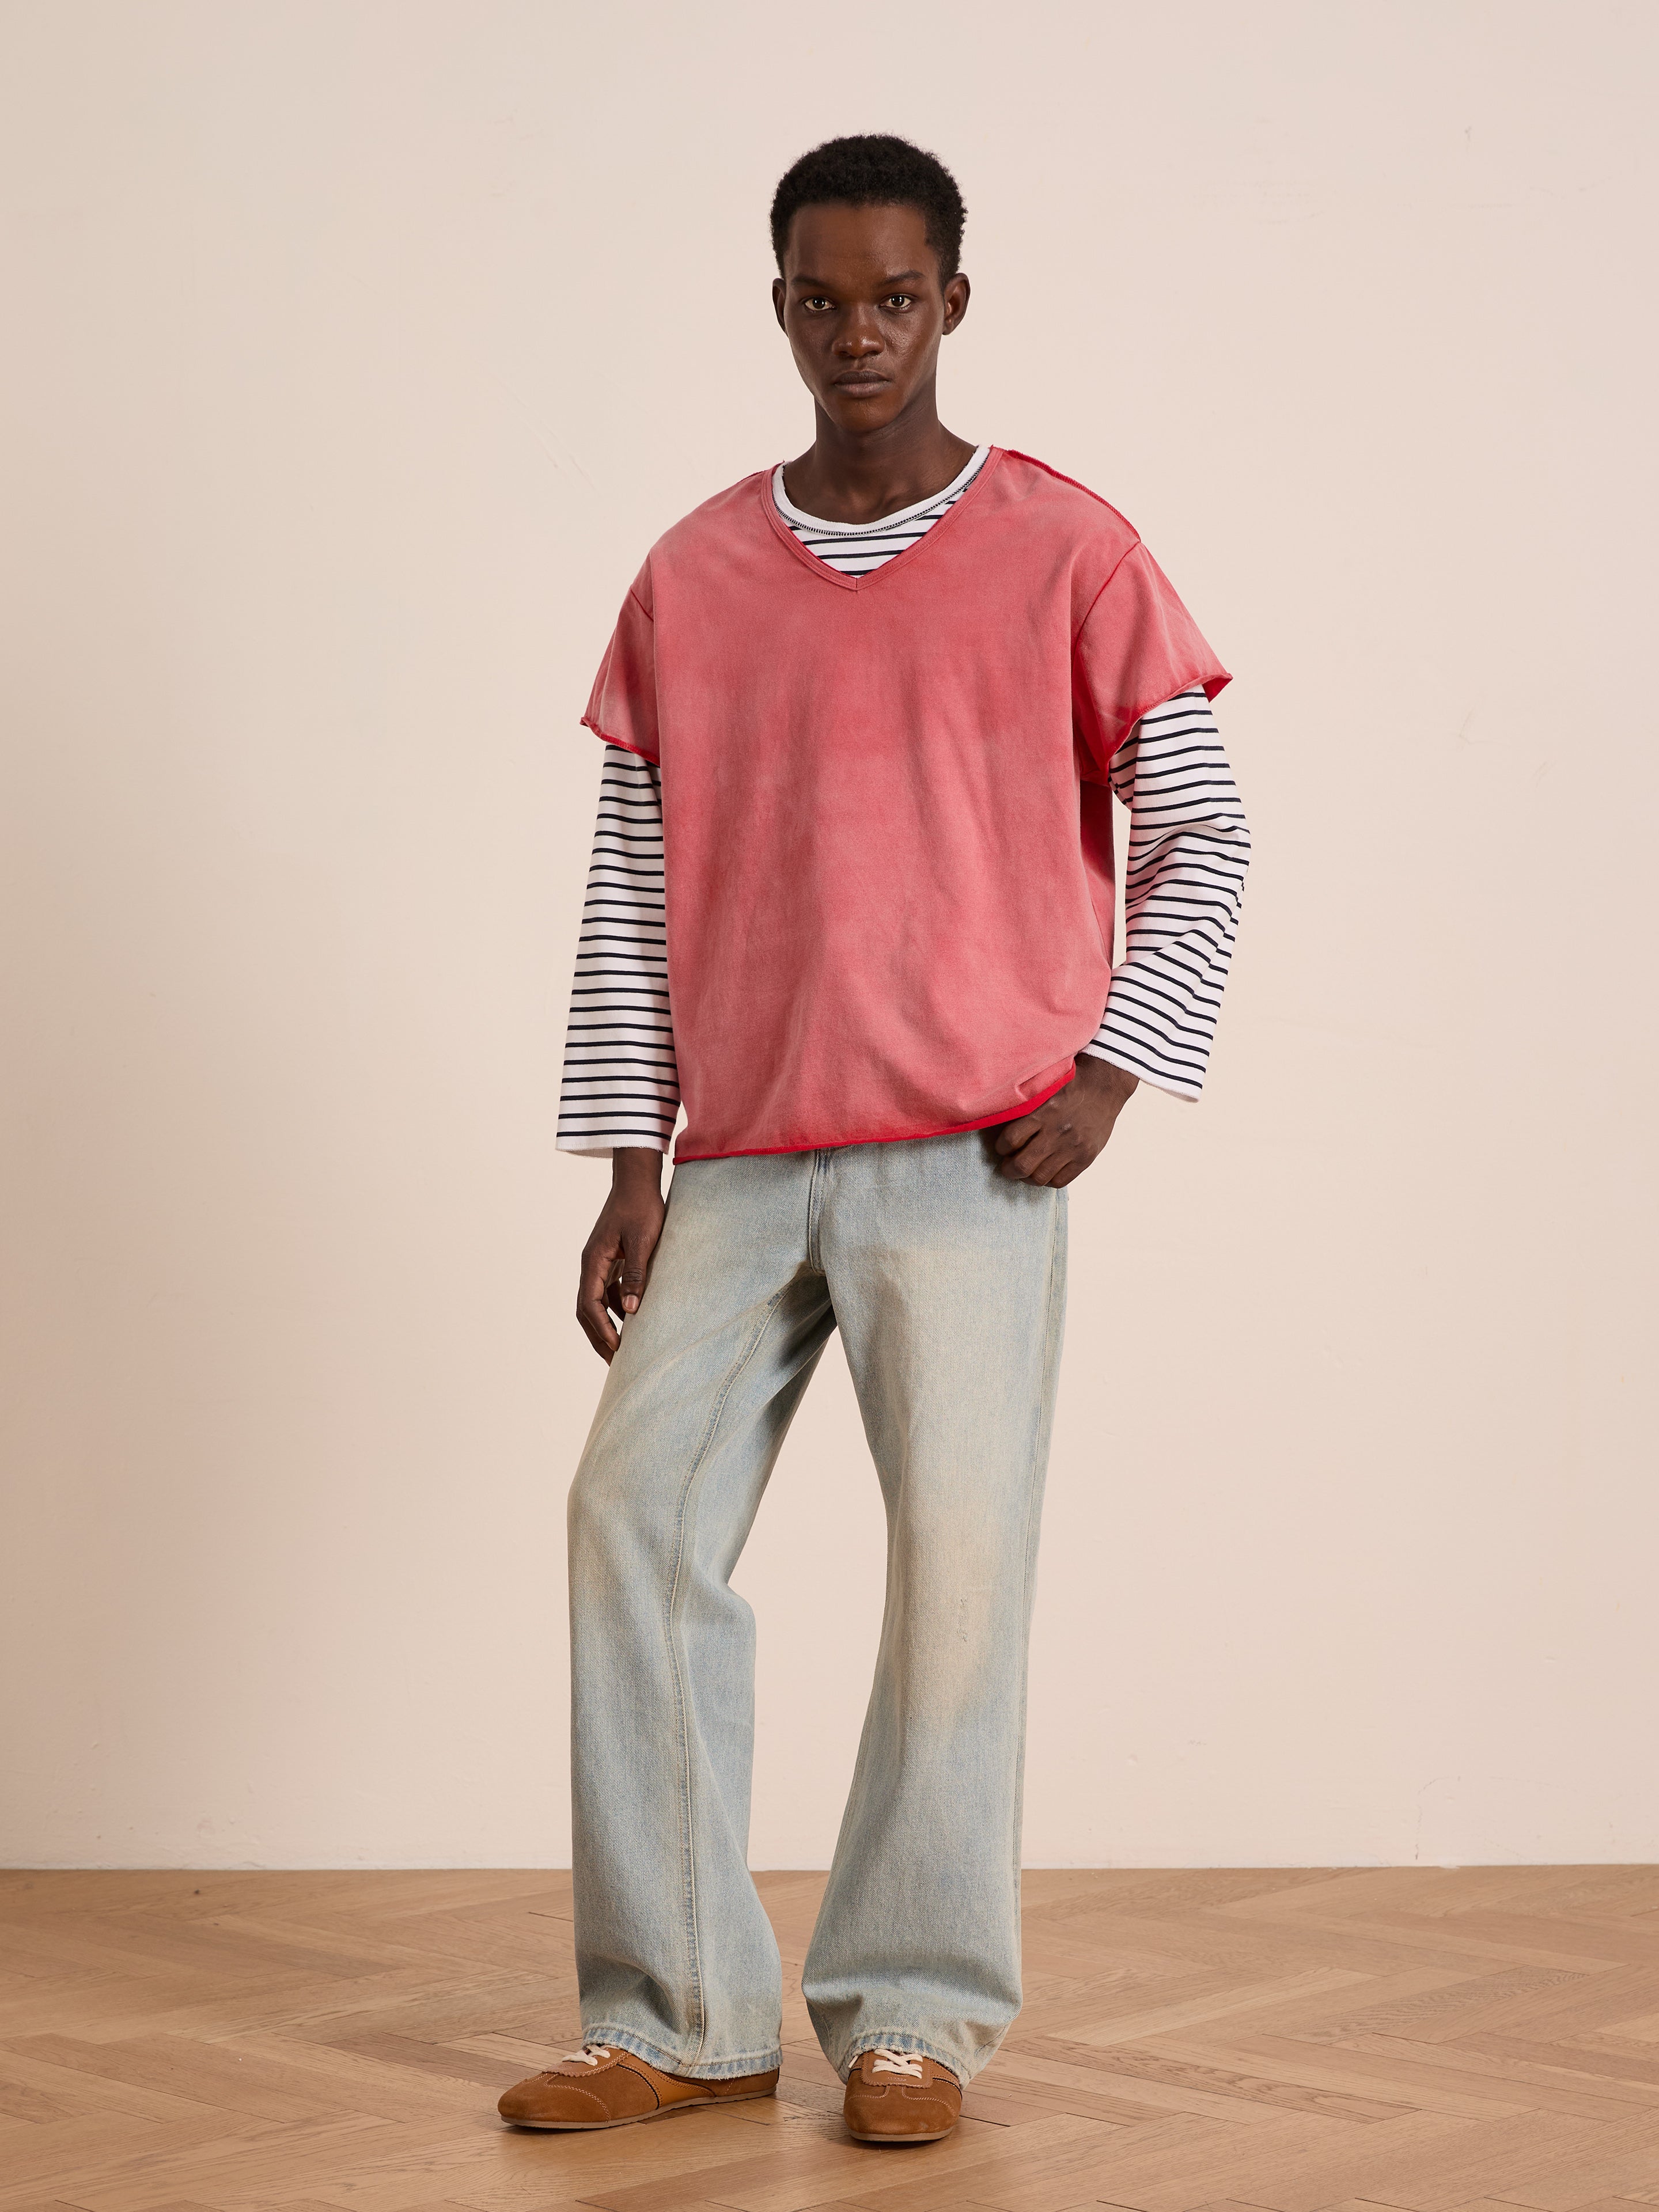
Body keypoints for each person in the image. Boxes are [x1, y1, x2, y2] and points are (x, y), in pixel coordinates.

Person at [498, 134, 1249, 2147]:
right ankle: (679, 2011)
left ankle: (909, 2006)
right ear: (778, 307)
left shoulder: (1070, 550)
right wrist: (626, 1159)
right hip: (739, 1154)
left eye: (894, 297)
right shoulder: (693, 572)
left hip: (973, 1159)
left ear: (953, 305)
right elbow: (630, 881)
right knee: (631, 1524)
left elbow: (1202, 829)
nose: (858, 332)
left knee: (959, 1576)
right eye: (821, 298)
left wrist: (1110, 1070)